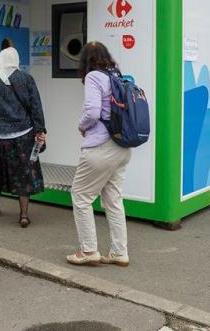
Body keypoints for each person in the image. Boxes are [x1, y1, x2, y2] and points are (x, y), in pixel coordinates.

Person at [67, 41, 132, 267]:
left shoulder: (94, 77)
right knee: (113, 200)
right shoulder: (117, 76)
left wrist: (82, 125)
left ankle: (89, 251)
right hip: (122, 147)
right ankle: (119, 253)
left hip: (101, 147)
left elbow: (93, 112)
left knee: (80, 196)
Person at [0, 47, 46, 227]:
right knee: (23, 174)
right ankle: (24, 215)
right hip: (23, 135)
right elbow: (36, 106)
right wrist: (40, 130)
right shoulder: (26, 79)